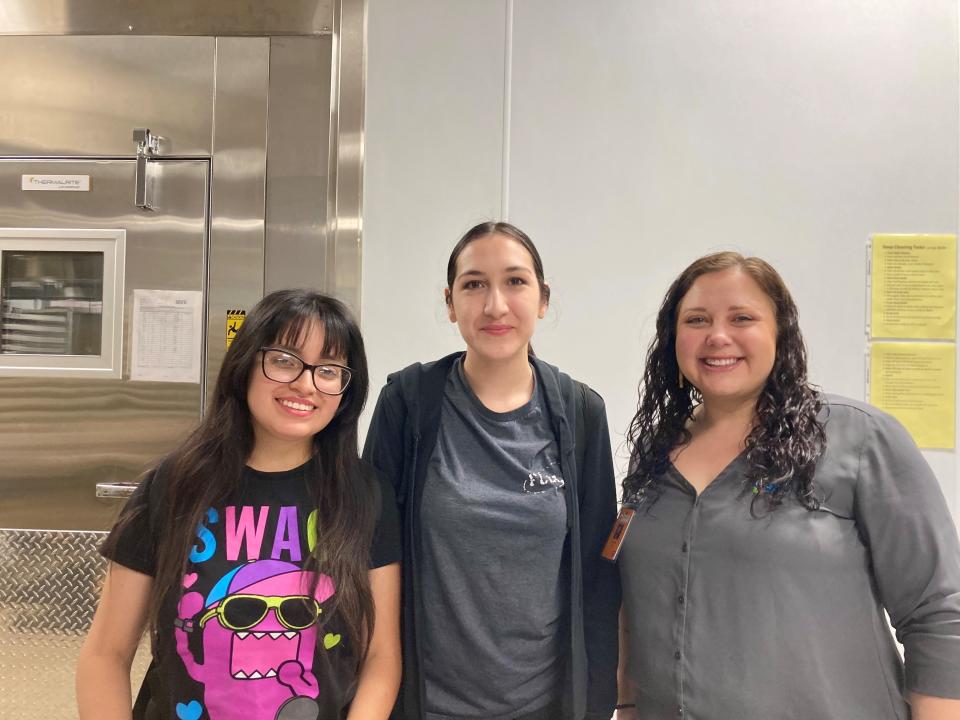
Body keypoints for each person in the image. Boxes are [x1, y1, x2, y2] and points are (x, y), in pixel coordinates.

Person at [617, 251, 960, 720]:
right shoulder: (654, 454)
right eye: (696, 319)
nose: (718, 336)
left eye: (742, 318)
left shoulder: (858, 439)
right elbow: (638, 607)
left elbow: (939, 612)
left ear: (780, 332)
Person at [76, 290, 402, 720]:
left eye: (328, 370)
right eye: (285, 360)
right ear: (246, 364)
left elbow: (381, 659)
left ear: (346, 389)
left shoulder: (365, 495)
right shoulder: (174, 486)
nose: (305, 384)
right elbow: (106, 654)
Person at [363, 221, 619, 720]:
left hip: (545, 707)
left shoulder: (581, 412)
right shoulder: (408, 403)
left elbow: (598, 574)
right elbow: (370, 556)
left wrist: (600, 704)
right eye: (474, 284)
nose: (495, 305)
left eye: (516, 282)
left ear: (543, 299)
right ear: (450, 302)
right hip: (425, 704)